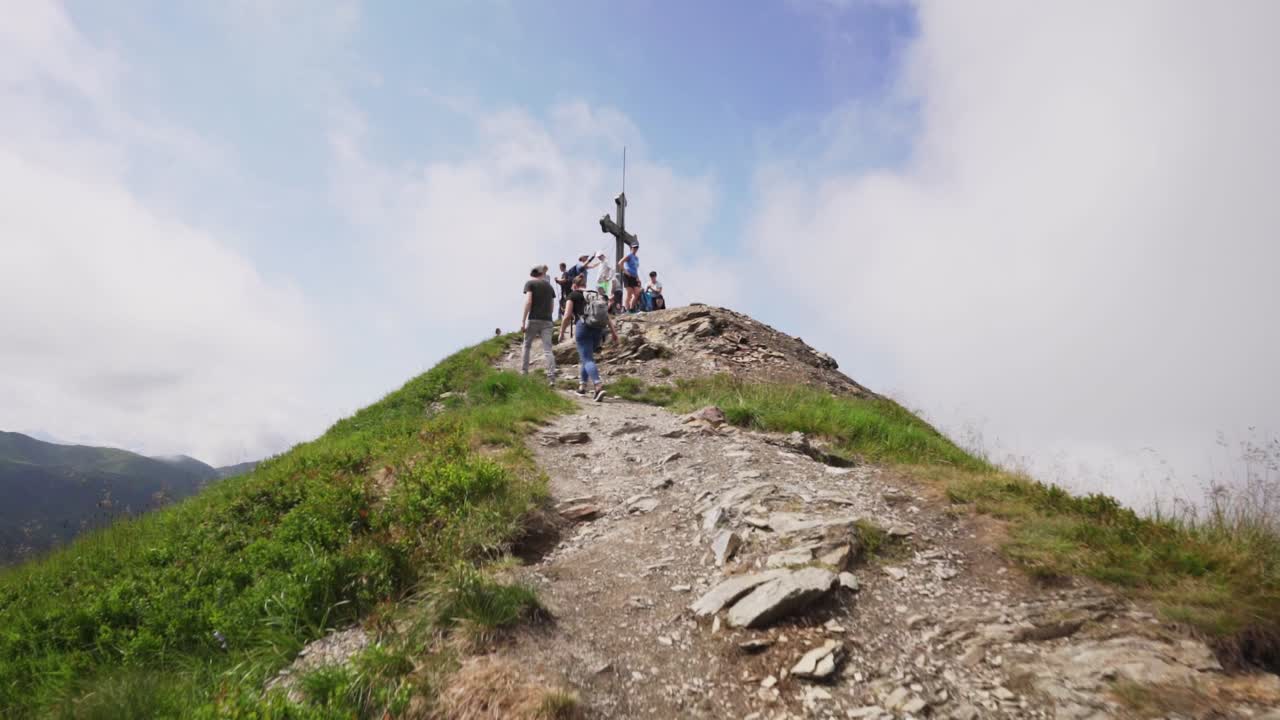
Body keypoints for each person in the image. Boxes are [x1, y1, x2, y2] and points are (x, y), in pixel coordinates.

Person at [558, 273, 618, 402]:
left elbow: (567, 315)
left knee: (587, 359)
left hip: (583, 327)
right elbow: (606, 315)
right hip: (598, 330)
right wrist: (613, 333)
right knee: (586, 358)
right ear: (585, 285)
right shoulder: (596, 295)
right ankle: (582, 386)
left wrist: (562, 332)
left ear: (574, 285)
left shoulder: (573, 295)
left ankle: (598, 386)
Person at [520, 265, 557, 385]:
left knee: (527, 345)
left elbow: (529, 301)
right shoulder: (550, 287)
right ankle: (551, 377)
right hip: (547, 320)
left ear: (533, 274)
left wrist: (523, 320)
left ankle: (524, 373)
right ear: (542, 274)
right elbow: (552, 308)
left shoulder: (530, 284)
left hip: (534, 318)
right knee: (548, 350)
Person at [620, 244, 641, 312]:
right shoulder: (629, 255)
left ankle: (631, 308)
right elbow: (620, 263)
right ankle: (626, 309)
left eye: (636, 247)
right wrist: (625, 271)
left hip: (634, 276)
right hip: (627, 276)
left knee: (637, 293)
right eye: (634, 247)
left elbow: (635, 269)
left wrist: (638, 278)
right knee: (629, 293)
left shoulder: (637, 258)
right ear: (631, 248)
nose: (635, 249)